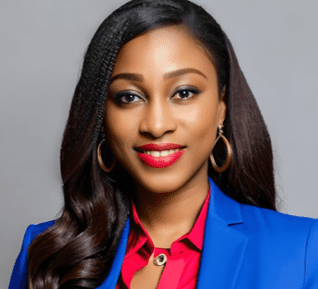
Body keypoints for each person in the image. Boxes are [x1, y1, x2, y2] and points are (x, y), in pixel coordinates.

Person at [9, 0, 318, 288]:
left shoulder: (303, 250)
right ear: (102, 114)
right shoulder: (45, 254)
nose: (156, 126)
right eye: (129, 97)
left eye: (183, 93)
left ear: (221, 105)